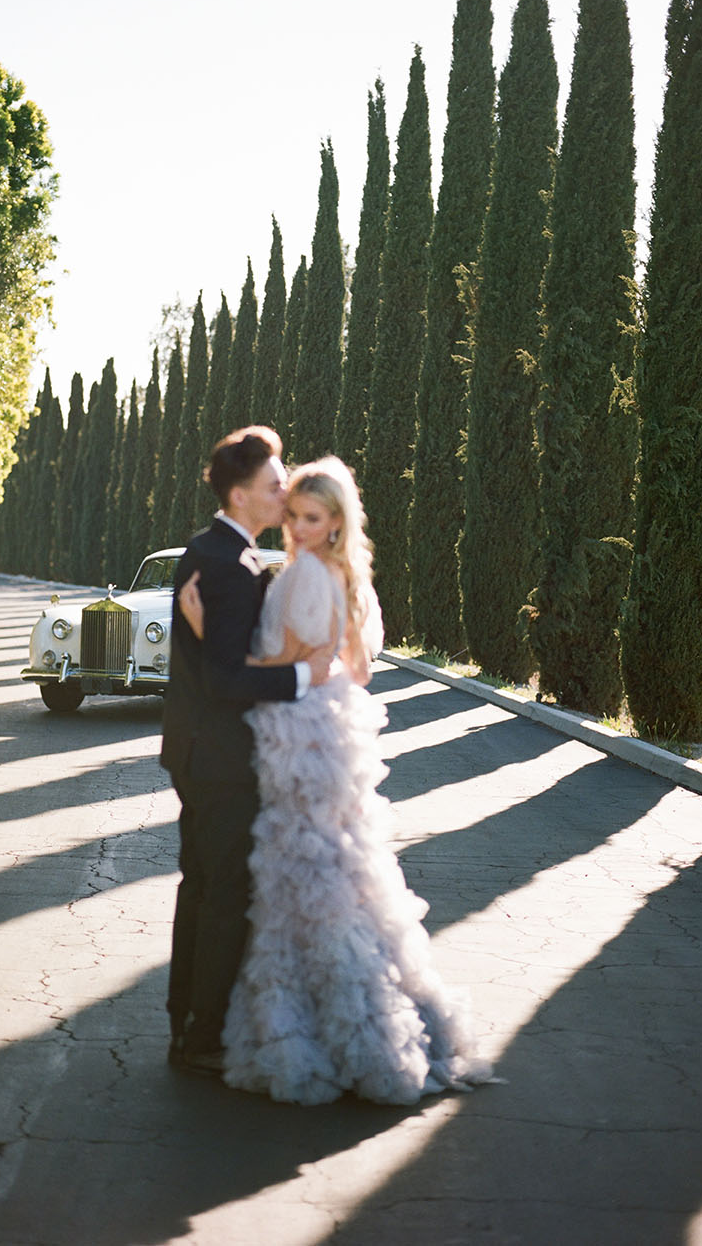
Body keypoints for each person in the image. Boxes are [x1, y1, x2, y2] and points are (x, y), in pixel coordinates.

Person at [179, 455, 494, 1105]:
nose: (294, 526)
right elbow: (359, 669)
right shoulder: (343, 574)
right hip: (329, 738)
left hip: (296, 736)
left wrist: (209, 631)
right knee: (333, 878)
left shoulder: (303, 579)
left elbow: (282, 663)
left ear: (334, 523)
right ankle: (356, 1017)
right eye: (291, 513)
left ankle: (298, 1023)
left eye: (309, 517)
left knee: (296, 881)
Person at [160, 427, 332, 1073]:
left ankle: (184, 1017)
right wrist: (302, 676)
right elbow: (226, 679)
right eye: (273, 484)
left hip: (191, 753)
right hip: (224, 761)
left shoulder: (204, 552)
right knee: (225, 890)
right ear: (241, 495)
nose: (283, 490)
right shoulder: (230, 569)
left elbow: (216, 655)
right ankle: (203, 1036)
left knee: (199, 885)